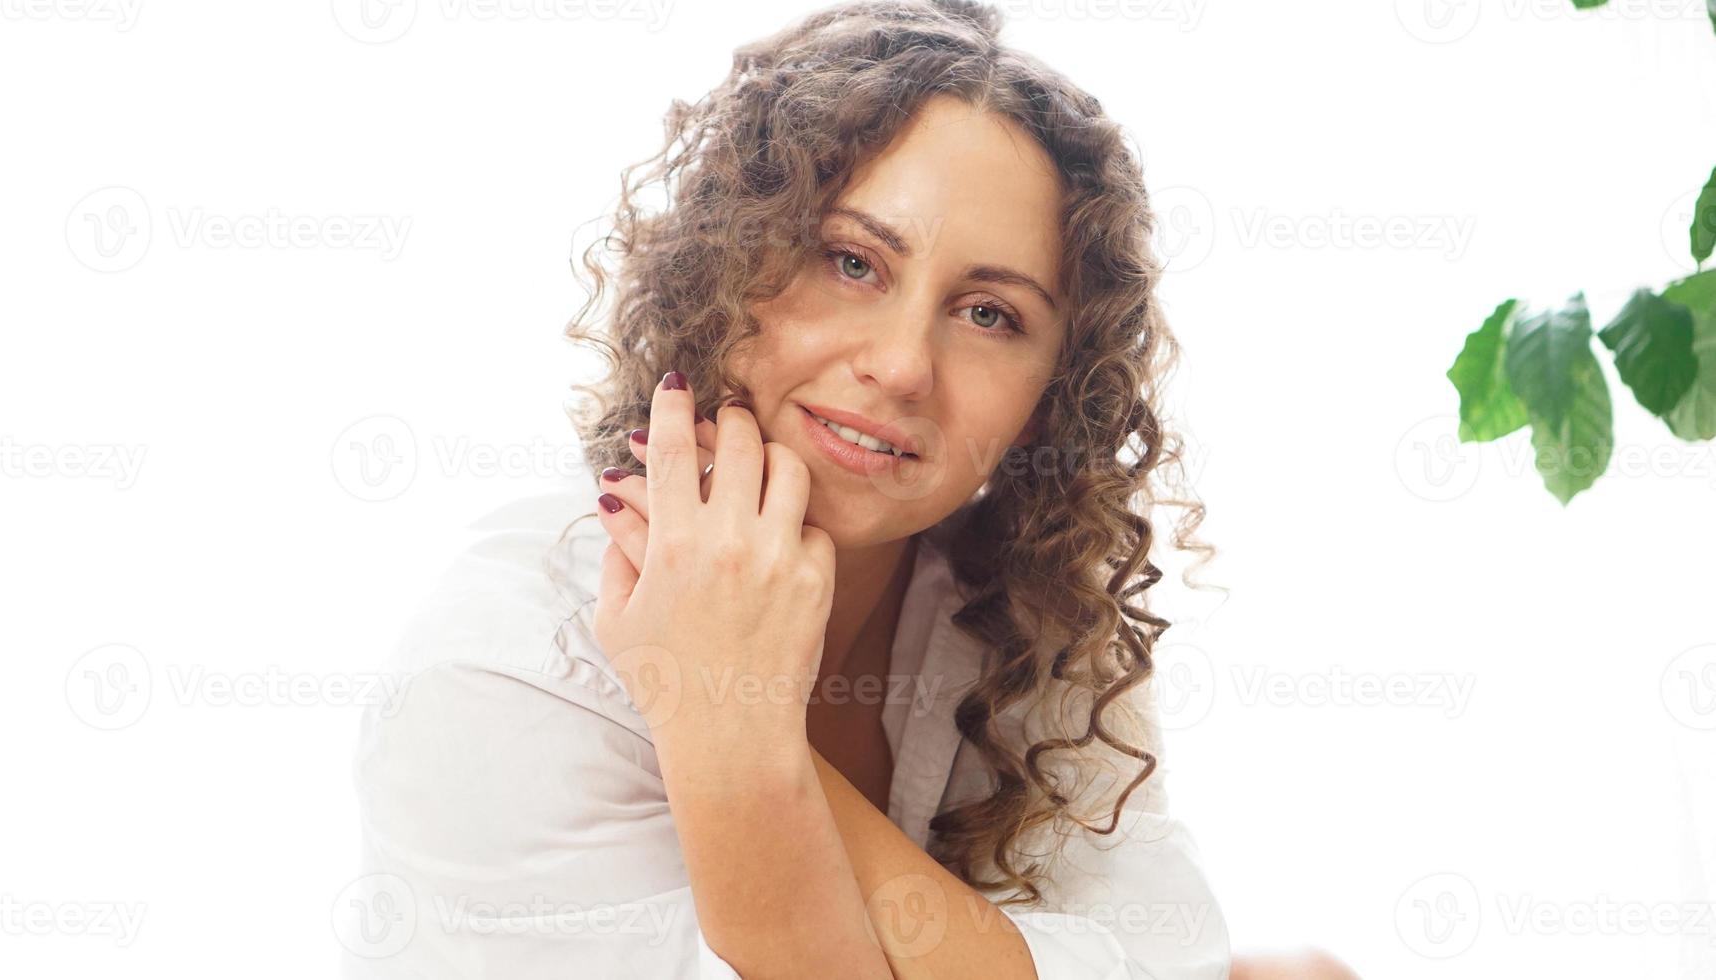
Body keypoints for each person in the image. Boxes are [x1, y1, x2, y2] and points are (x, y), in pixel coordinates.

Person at [344, 2, 1358, 977]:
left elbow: (1153, 954)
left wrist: (736, 715)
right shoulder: (502, 668)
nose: (902, 365)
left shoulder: (1021, 610)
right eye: (850, 261)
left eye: (989, 314)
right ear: (726, 265)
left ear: (1050, 400)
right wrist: (725, 730)